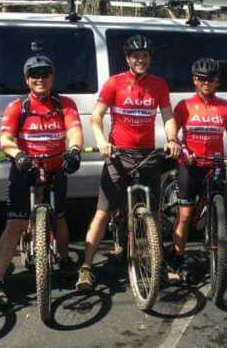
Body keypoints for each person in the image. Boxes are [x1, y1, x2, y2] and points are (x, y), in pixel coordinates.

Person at [75, 34, 182, 292]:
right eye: (136, 56)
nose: (140, 60)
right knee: (103, 212)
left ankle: (158, 261)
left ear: (150, 58)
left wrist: (172, 138)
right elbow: (96, 116)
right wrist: (101, 140)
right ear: (128, 59)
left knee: (154, 214)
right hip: (118, 155)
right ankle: (87, 268)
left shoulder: (159, 85)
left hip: (147, 155)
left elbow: (167, 115)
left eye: (145, 56)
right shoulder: (115, 83)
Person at [0, 54, 84, 308]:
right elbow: (6, 139)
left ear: (52, 77)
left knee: (60, 218)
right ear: (26, 80)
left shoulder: (64, 104)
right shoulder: (17, 107)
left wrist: (74, 151)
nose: (40, 79)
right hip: (25, 168)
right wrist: (18, 155)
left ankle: (64, 259)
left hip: (55, 167)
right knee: (15, 225)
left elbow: (74, 130)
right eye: (34, 75)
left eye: (45, 74)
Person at [168, 58, 227, 284]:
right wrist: (182, 149)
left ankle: (219, 260)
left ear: (217, 81)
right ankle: (177, 258)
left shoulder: (225, 106)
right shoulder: (184, 105)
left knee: (219, 212)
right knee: (185, 215)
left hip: (215, 164)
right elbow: (175, 134)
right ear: (194, 80)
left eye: (210, 79)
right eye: (201, 79)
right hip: (190, 165)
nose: (206, 83)